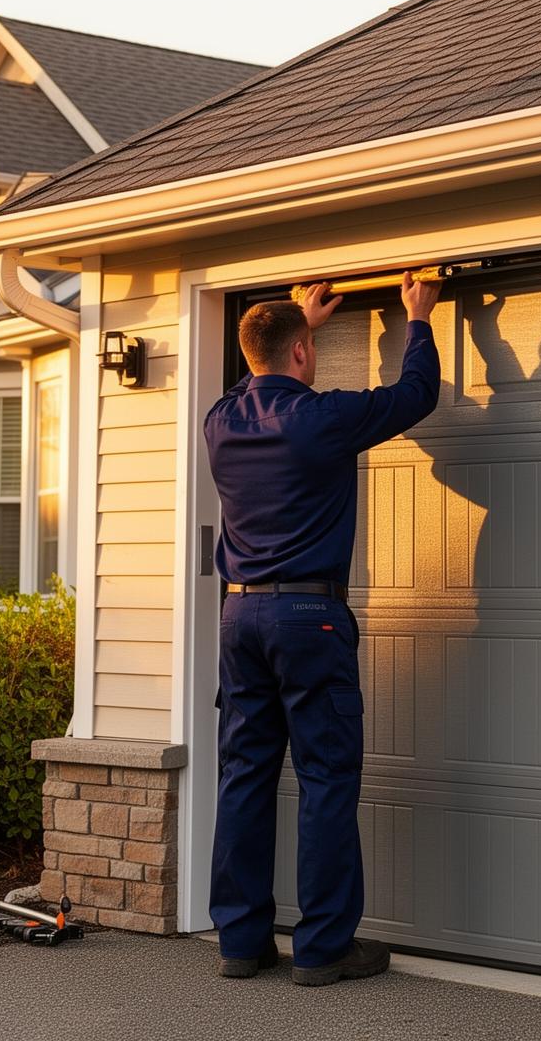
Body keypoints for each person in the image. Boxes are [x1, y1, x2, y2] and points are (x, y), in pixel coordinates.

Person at [203, 271, 442, 985]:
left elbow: (269, 371)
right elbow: (415, 395)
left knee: (244, 775)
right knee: (326, 777)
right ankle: (323, 947)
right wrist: (418, 319)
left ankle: (241, 944)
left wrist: (300, 321)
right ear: (304, 353)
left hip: (240, 616)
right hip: (310, 618)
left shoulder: (219, 419)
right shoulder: (322, 419)